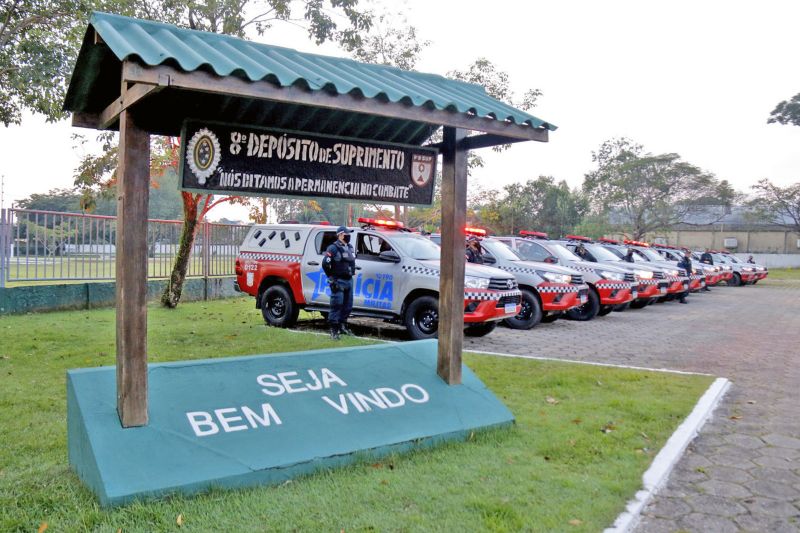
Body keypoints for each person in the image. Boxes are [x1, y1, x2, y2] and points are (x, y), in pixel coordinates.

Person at [323, 226, 356, 340]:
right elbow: (325, 264)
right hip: (338, 281)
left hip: (349, 280)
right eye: (347, 234)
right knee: (336, 306)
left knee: (348, 306)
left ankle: (343, 327)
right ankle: (334, 331)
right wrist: (331, 278)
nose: (348, 236)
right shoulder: (333, 248)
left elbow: (351, 262)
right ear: (341, 235)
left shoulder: (350, 247)